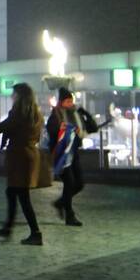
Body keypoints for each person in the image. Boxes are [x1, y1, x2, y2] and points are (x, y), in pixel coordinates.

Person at [0, 83, 45, 246]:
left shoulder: (19, 113)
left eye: (14, 94)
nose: (11, 96)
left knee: (22, 196)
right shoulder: (35, 113)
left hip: (19, 157)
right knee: (12, 191)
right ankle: (8, 228)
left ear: (20, 96)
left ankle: (36, 233)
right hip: (28, 155)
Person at [46, 87, 99, 227]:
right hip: (61, 154)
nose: (70, 104)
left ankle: (60, 203)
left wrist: (86, 113)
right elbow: (51, 130)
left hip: (74, 152)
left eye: (71, 101)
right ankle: (70, 215)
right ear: (61, 102)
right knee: (69, 182)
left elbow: (93, 128)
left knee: (79, 183)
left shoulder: (76, 114)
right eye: (67, 101)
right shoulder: (56, 115)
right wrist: (63, 129)